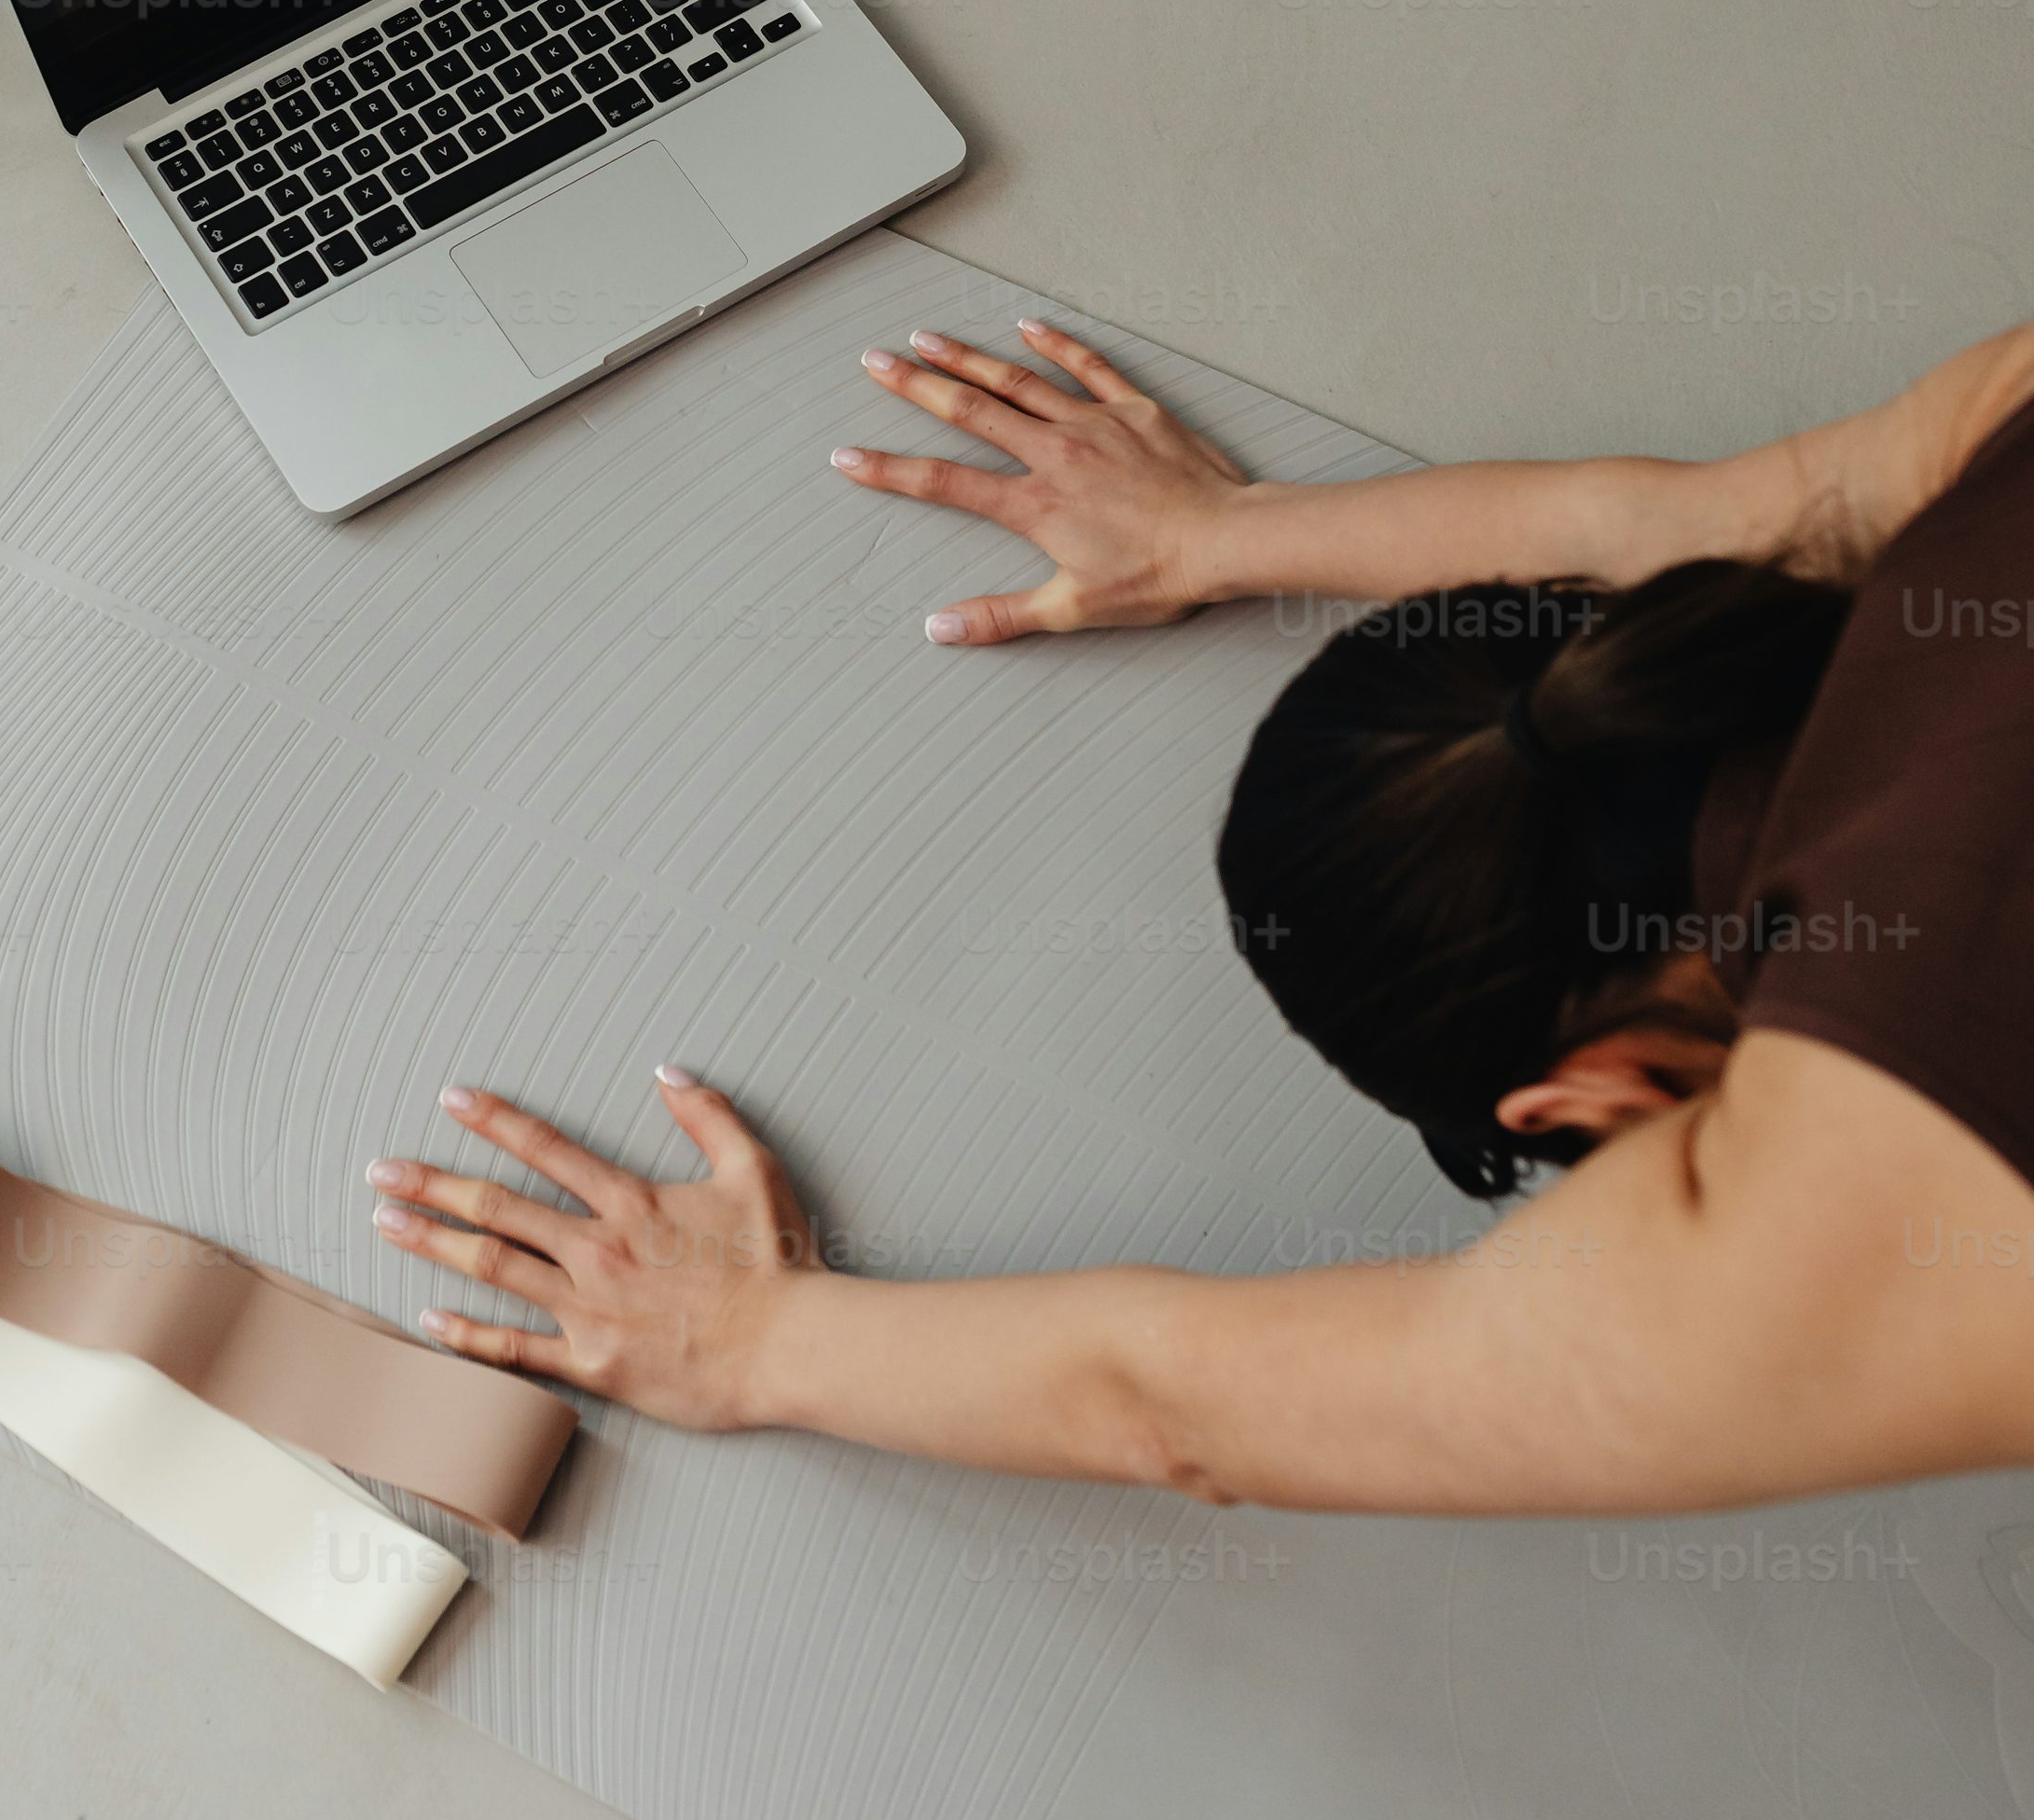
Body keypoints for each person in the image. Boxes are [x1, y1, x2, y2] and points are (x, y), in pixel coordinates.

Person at [367, 315, 2034, 1512]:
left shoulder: (1825, 1214)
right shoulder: (1990, 447)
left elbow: (1181, 1410)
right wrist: (1229, 532)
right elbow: (1705, 519)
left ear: (1594, 1103)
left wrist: (748, 1339)